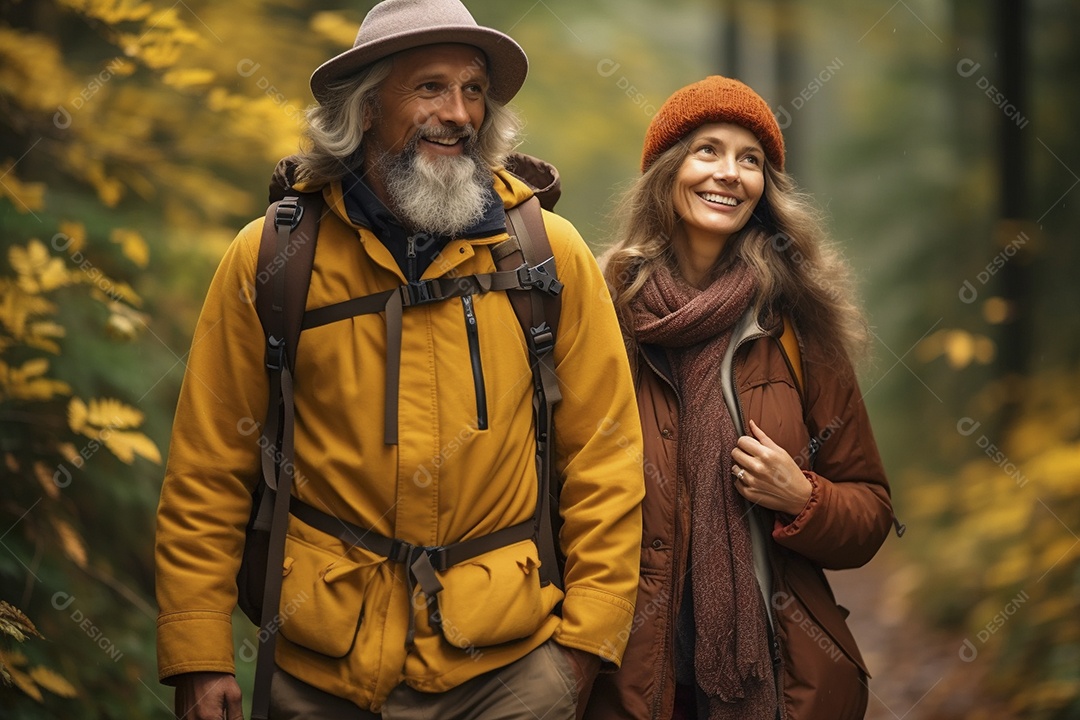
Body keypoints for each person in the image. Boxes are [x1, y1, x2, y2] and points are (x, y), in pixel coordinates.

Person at [154, 0, 645, 718]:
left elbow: (605, 463)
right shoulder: (272, 258)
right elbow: (208, 471)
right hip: (318, 671)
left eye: (473, 89)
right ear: (366, 105)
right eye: (430, 88)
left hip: (509, 669)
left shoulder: (549, 254)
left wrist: (581, 652)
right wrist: (198, 655)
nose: (459, 113)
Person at [586, 76, 895, 720]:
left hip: (780, 675)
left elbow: (869, 512)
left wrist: (804, 498)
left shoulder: (799, 322)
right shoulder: (602, 309)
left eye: (749, 159)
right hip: (633, 673)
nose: (729, 173)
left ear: (765, 189)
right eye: (707, 150)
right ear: (667, 172)